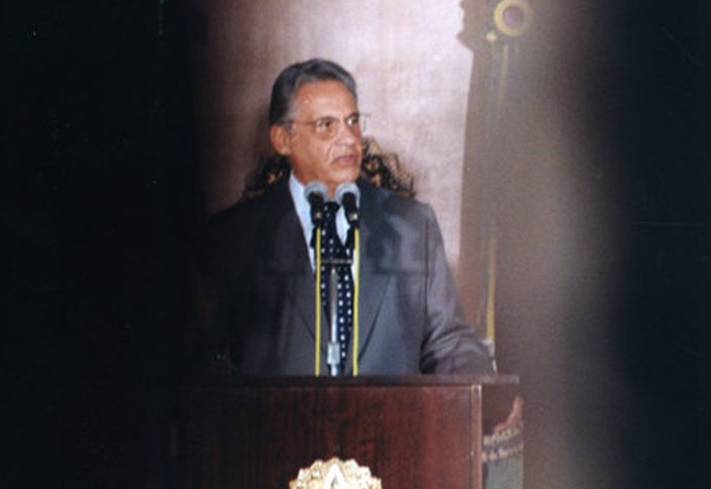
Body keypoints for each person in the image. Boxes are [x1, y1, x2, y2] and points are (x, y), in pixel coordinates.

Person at [191, 58, 494, 376]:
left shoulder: (411, 227)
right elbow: (202, 359)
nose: (349, 138)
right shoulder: (233, 236)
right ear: (283, 139)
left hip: (390, 410)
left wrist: (487, 387)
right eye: (326, 125)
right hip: (276, 411)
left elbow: (448, 343)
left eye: (353, 121)